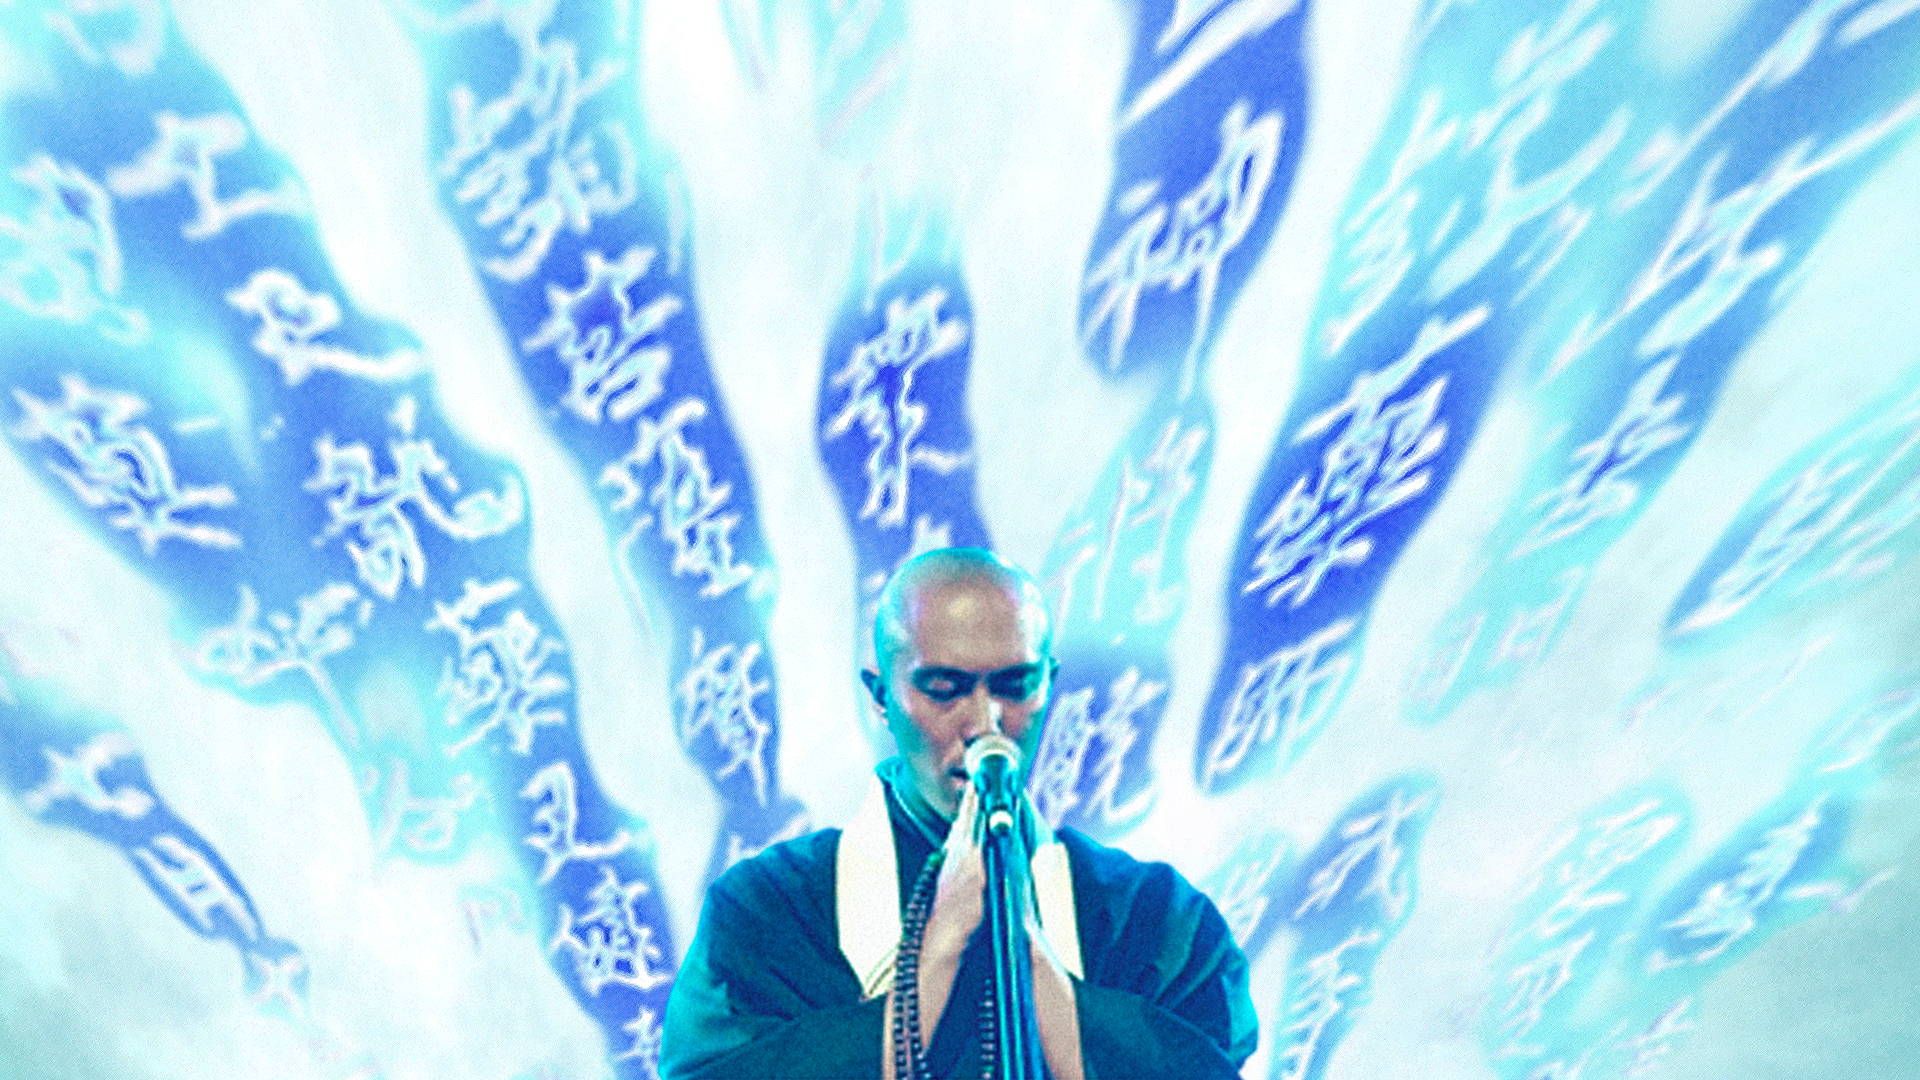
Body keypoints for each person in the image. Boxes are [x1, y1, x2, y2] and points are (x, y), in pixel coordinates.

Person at [660, 548, 1257, 1078]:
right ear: (881, 697)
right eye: (944, 689)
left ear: (1049, 683)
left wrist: (1029, 953)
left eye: (1015, 686)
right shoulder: (768, 912)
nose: (984, 724)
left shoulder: (1155, 918)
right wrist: (937, 954)